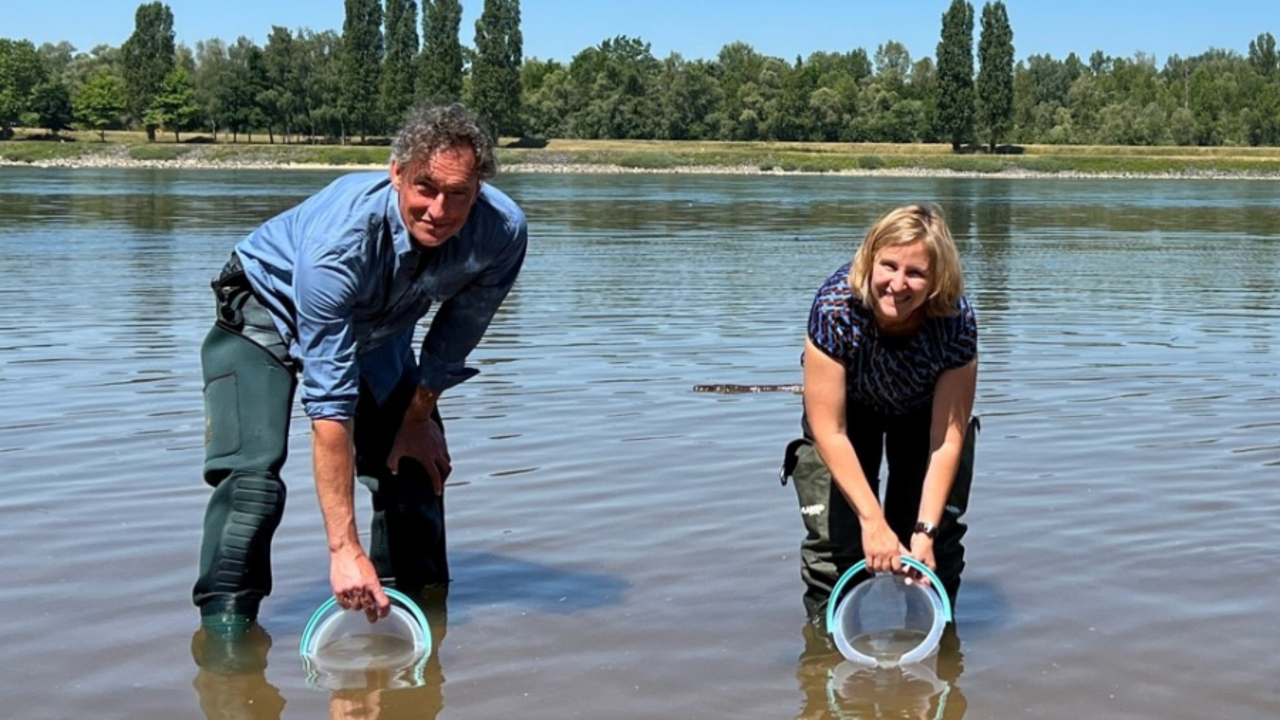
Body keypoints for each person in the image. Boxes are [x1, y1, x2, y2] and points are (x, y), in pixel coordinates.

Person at [194, 102, 528, 633]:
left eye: (458, 194)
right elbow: (330, 409)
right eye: (425, 188)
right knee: (252, 484)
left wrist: (417, 421)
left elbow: (454, 337)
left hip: (378, 327)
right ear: (396, 174)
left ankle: (411, 628)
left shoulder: (501, 231)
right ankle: (228, 647)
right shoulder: (339, 246)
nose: (439, 211)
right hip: (265, 307)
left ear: (479, 189)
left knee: (416, 470)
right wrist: (341, 547)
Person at [780, 203, 979, 622]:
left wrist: (923, 532)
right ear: (869, 259)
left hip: (923, 417)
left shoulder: (955, 320)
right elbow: (829, 429)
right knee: (835, 548)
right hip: (847, 416)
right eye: (888, 266)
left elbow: (946, 440)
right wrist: (872, 522)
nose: (897, 285)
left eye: (916, 273)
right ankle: (826, 662)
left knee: (934, 546)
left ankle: (929, 646)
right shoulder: (836, 306)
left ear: (936, 280)